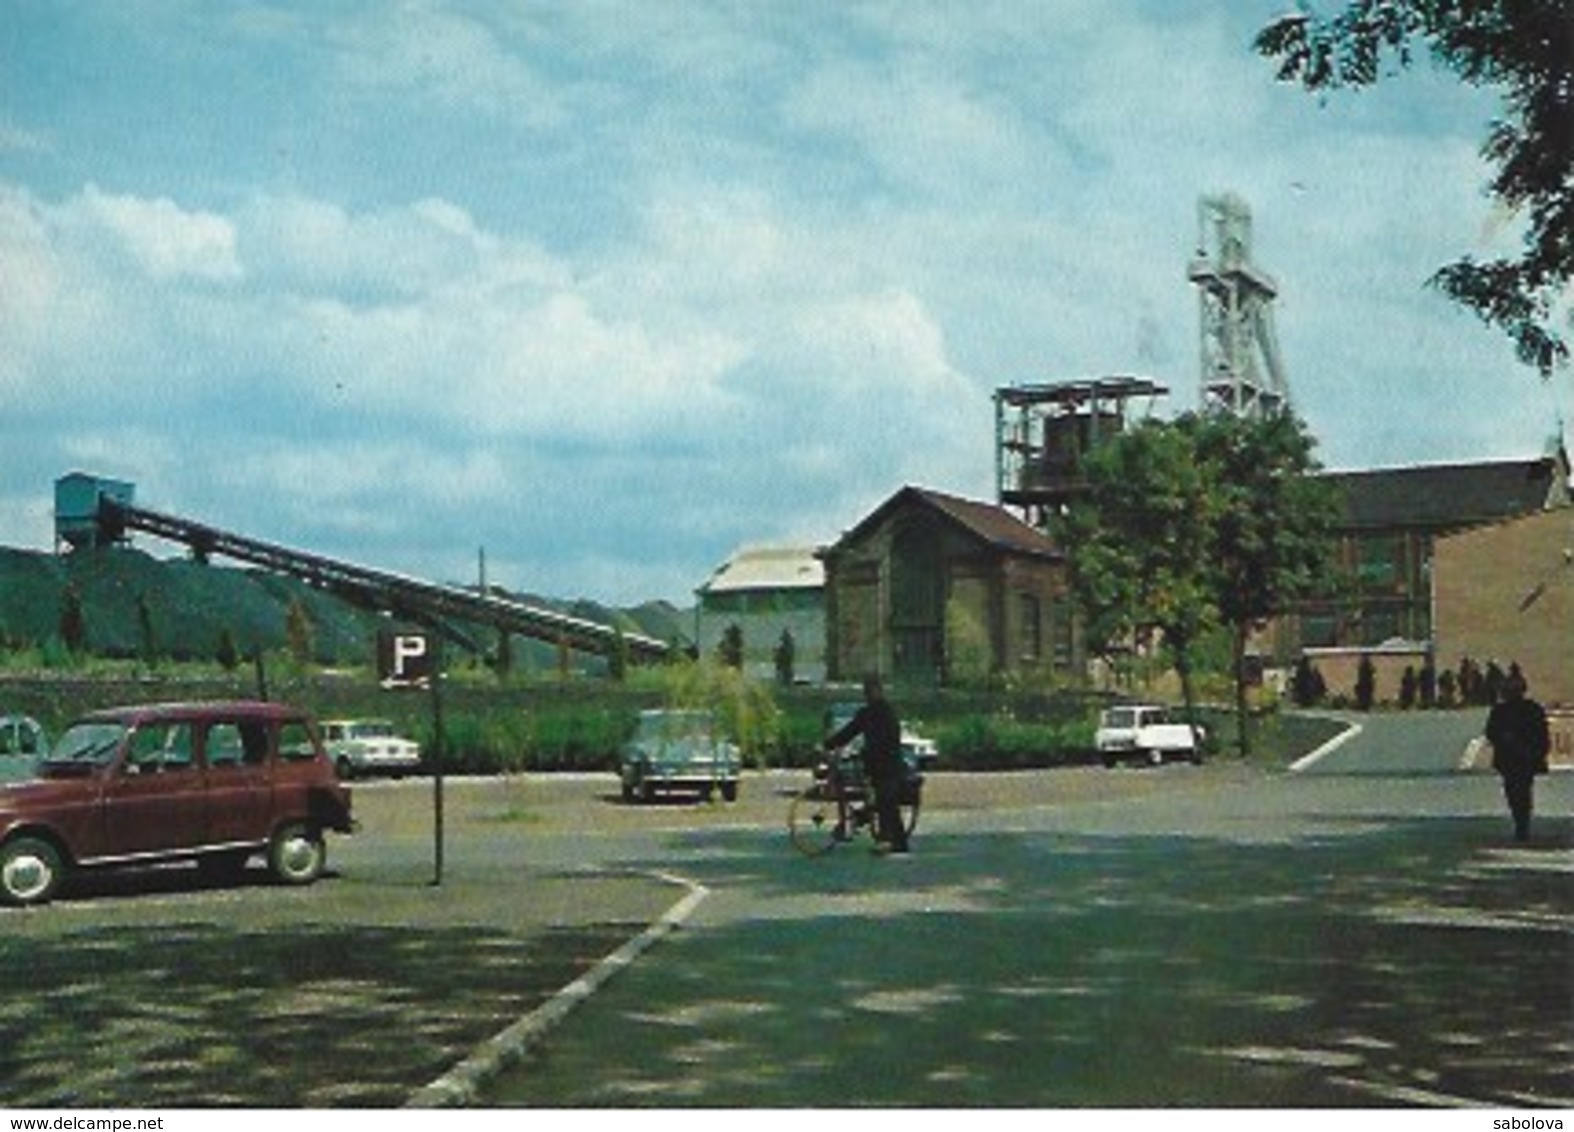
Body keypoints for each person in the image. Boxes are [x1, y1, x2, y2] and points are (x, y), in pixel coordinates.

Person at [825, 673, 910, 854]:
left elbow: (889, 738)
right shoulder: (866, 713)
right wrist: (830, 744)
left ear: (879, 691)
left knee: (886, 799)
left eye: (871, 690)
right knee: (886, 801)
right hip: (875, 764)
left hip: (889, 763)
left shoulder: (887, 712)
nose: (869, 694)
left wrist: (869, 751)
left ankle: (886, 839)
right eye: (867, 691)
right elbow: (850, 732)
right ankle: (899, 842)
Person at [1484, 669, 1551, 843]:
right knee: (1515, 791)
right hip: (1510, 758)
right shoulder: (1501, 711)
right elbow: (1491, 732)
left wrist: (1537, 751)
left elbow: (1542, 734)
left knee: (1520, 790)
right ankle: (1521, 821)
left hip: (1524, 757)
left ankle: (1523, 824)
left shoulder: (1531, 709)